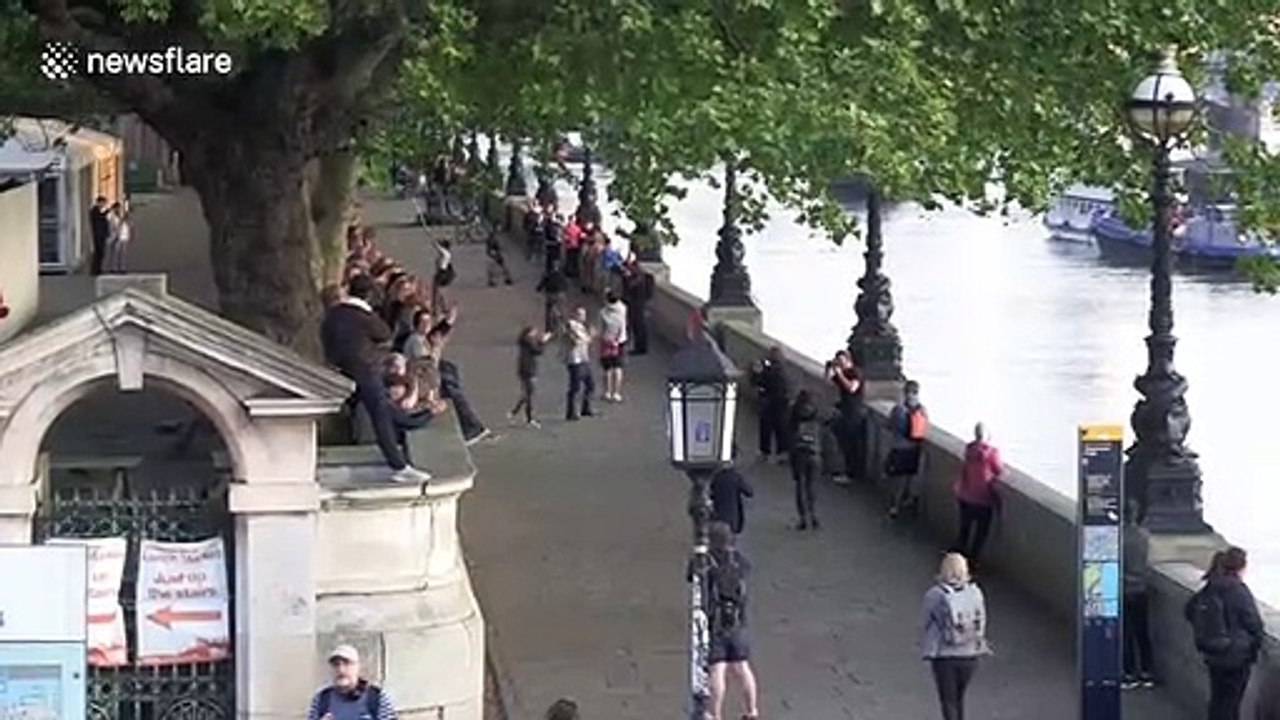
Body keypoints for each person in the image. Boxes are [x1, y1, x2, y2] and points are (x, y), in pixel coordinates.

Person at [320, 275, 431, 483]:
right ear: (369, 296)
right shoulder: (363, 314)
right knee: (379, 411)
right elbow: (384, 333)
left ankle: (414, 420)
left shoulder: (333, 314)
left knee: (382, 406)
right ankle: (398, 466)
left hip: (337, 369)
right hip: (363, 369)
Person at [1186, 546, 1264, 720]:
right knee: (1231, 702)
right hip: (1236, 657)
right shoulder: (1238, 590)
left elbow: (1189, 610)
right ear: (1241, 567)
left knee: (1218, 698)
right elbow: (1254, 624)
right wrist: (1254, 646)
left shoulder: (1210, 587)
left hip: (1214, 653)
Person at [919, 552, 990, 720]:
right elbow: (982, 620)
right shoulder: (975, 592)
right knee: (959, 696)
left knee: (948, 701)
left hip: (944, 655)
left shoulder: (935, 594)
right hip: (970, 655)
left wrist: (923, 643)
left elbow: (924, 622)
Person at [705, 521, 760, 720]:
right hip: (738, 622)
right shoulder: (740, 561)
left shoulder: (709, 562)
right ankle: (751, 710)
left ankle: (714, 714)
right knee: (742, 667)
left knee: (717, 669)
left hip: (717, 624)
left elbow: (693, 576)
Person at [306, 644, 397, 720]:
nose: (341, 670)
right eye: (336, 665)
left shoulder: (377, 699)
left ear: (357, 667)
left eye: (347, 663)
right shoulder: (321, 700)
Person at [953, 423, 1002, 564]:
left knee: (964, 530)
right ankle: (973, 562)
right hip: (984, 499)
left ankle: (957, 562)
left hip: (966, 496)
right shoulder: (992, 453)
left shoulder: (969, 449)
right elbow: (998, 470)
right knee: (980, 534)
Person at [1122, 499, 1156, 690]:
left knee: (1126, 633)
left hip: (1125, 589)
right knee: (1142, 632)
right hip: (1141, 589)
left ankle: (1128, 673)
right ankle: (1146, 671)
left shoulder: (1118, 538)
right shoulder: (1144, 536)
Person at [887, 380, 928, 519]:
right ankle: (909, 501)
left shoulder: (899, 409)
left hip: (899, 448)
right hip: (915, 449)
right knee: (910, 478)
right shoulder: (922, 409)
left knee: (897, 479)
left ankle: (894, 507)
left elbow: (890, 425)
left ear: (905, 392)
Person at [828, 350, 865, 483]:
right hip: (844, 412)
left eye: (842, 361)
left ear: (849, 360)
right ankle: (845, 470)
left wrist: (839, 374)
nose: (840, 364)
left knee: (852, 443)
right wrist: (831, 369)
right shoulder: (842, 373)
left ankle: (852, 473)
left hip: (854, 413)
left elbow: (852, 388)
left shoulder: (856, 373)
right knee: (843, 441)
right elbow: (829, 380)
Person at [788, 389, 822, 530]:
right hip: (814, 453)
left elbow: (788, 433)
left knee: (800, 486)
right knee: (812, 486)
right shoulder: (816, 414)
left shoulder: (795, 414)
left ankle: (803, 519)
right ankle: (814, 516)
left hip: (799, 454)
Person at [751, 346, 791, 463]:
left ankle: (765, 452)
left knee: (768, 428)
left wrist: (757, 372)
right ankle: (782, 453)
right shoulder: (782, 371)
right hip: (780, 403)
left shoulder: (770, 371)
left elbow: (758, 382)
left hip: (771, 402)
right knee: (780, 428)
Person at [510, 326, 552, 427]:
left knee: (527, 394)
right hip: (529, 370)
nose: (535, 334)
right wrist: (543, 341)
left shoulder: (524, 342)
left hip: (526, 370)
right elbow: (538, 351)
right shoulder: (528, 342)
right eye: (533, 332)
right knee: (530, 395)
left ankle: (514, 412)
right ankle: (529, 418)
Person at [563, 306, 596, 421]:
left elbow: (585, 340)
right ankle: (571, 412)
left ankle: (585, 408)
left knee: (590, 384)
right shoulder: (571, 326)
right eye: (580, 314)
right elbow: (576, 340)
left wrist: (589, 337)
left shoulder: (582, 327)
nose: (583, 317)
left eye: (584, 314)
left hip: (584, 359)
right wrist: (590, 336)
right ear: (575, 315)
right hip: (575, 360)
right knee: (575, 387)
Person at [620, 254, 654, 355]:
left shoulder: (638, 278)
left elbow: (630, 287)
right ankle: (640, 346)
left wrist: (626, 278)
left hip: (638, 304)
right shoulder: (641, 276)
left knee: (639, 326)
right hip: (639, 303)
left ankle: (640, 348)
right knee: (639, 326)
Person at [598, 291, 628, 402]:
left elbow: (601, 329)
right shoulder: (623, 309)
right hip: (620, 341)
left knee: (607, 369)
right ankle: (616, 393)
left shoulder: (603, 313)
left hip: (607, 341)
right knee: (618, 368)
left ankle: (607, 392)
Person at [710, 461, 753, 536]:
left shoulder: (716, 477)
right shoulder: (736, 477)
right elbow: (749, 492)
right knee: (729, 543)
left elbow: (711, 494)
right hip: (731, 519)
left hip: (717, 516)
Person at [537, 259, 568, 335]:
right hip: (560, 294)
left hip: (551, 294)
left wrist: (538, 289)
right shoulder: (562, 274)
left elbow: (543, 282)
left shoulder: (548, 273)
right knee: (561, 309)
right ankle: (563, 325)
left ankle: (548, 329)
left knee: (548, 310)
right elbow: (565, 284)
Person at [105, 200, 131, 272]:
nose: (118, 209)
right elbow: (112, 226)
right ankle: (113, 268)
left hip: (124, 236)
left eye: (119, 208)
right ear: (114, 208)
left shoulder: (121, 215)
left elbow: (128, 225)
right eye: (117, 208)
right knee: (115, 253)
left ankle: (122, 268)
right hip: (115, 236)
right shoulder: (111, 216)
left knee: (123, 253)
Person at [88, 195, 110, 276]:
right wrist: (106, 212)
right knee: (99, 252)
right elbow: (99, 220)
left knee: (100, 253)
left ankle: (98, 269)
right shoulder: (94, 210)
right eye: (103, 203)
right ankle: (95, 270)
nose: (103, 205)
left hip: (100, 234)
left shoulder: (97, 211)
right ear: (99, 202)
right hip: (98, 235)